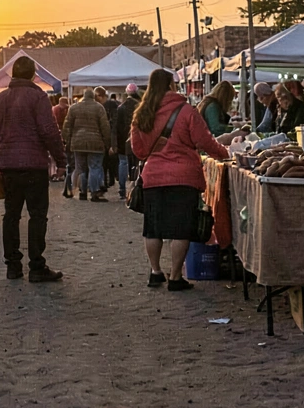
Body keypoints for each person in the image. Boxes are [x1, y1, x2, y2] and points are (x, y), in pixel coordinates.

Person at [130, 69, 230, 291]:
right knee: (181, 228)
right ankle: (175, 277)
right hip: (183, 177)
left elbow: (138, 151)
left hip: (153, 177)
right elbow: (205, 141)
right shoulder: (186, 111)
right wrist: (224, 153)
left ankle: (155, 272)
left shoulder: (142, 113)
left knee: (153, 228)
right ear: (171, 86)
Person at [0, 55, 65, 282]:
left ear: (12, 74)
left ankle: (13, 265)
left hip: (8, 164)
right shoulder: (38, 97)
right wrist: (61, 161)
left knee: (11, 215)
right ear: (33, 75)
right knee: (37, 215)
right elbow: (49, 131)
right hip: (34, 164)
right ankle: (36, 266)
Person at [63, 89, 112, 201]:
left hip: (78, 142)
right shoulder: (99, 107)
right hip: (95, 143)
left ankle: (82, 192)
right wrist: (107, 142)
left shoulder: (74, 108)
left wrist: (66, 140)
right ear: (94, 96)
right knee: (94, 167)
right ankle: (94, 192)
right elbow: (105, 126)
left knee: (80, 168)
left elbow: (67, 125)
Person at [112, 84, 140, 200]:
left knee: (123, 163)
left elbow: (116, 127)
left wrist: (115, 144)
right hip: (137, 139)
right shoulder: (139, 106)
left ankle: (122, 189)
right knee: (137, 164)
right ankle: (136, 188)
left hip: (123, 140)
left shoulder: (121, 107)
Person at [97, 88, 119, 192]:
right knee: (108, 160)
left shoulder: (101, 106)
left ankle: (105, 181)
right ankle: (109, 180)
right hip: (108, 135)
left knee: (104, 161)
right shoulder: (111, 105)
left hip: (104, 136)